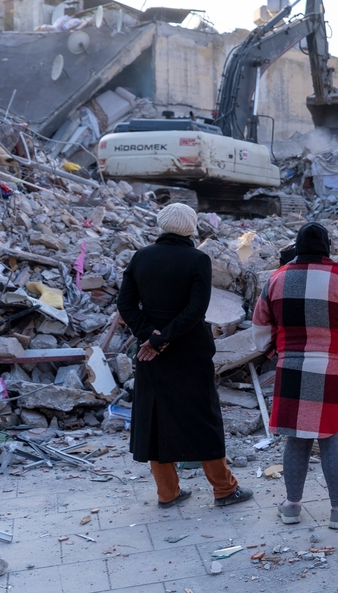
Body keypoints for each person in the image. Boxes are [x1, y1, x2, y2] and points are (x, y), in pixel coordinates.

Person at [116, 203, 253, 509]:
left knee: (155, 419)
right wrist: (162, 338)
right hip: (190, 349)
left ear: (161, 225)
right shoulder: (197, 259)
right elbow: (195, 310)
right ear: (190, 229)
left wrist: (150, 337)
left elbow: (124, 304)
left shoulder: (141, 257)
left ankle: (168, 493)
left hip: (150, 354)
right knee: (201, 416)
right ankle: (224, 489)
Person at [253, 222, 338, 529]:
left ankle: (291, 508)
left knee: (295, 439)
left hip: (291, 369)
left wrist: (278, 354)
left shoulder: (276, 279)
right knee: (332, 438)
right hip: (334, 370)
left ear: (297, 246)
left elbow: (259, 330)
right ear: (326, 246)